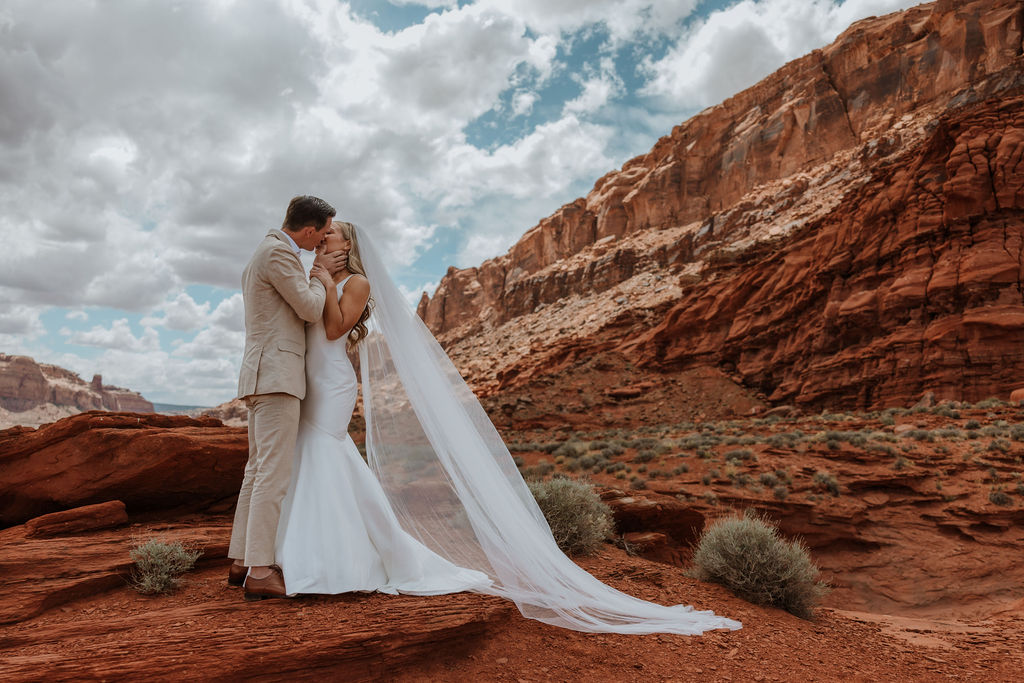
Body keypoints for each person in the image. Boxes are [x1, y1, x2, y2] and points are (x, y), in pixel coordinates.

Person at [263, 220, 741, 635]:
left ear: (348, 246)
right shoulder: (317, 274)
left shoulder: (356, 283)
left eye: (333, 236)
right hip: (310, 378)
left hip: (332, 384)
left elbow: (332, 329)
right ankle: (308, 554)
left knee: (325, 450)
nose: (325, 240)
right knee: (313, 454)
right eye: (322, 235)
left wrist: (325, 282)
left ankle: (331, 564)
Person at [227, 196, 346, 600]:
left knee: (257, 470)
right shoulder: (279, 254)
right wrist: (318, 273)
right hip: (277, 377)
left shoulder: (267, 250)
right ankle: (260, 571)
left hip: (264, 374)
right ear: (309, 231)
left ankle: (242, 560)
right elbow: (312, 310)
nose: (325, 241)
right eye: (324, 232)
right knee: (272, 475)